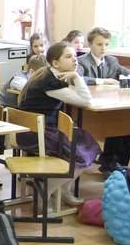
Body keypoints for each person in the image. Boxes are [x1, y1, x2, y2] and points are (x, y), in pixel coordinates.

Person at [18, 42, 102, 206]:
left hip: (37, 129)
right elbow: (86, 101)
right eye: (69, 57)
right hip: (37, 134)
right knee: (83, 152)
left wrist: (75, 77)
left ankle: (64, 190)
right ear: (56, 63)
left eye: (75, 56)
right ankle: (46, 190)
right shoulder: (50, 83)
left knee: (85, 141)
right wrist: (77, 77)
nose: (75, 60)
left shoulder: (49, 75)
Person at [77, 27, 130, 172]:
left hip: (110, 105)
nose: (103, 48)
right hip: (91, 108)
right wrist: (103, 81)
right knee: (115, 125)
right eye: (99, 44)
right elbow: (78, 78)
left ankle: (118, 164)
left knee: (126, 125)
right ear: (90, 44)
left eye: (106, 44)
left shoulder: (112, 61)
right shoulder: (81, 61)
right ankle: (109, 161)